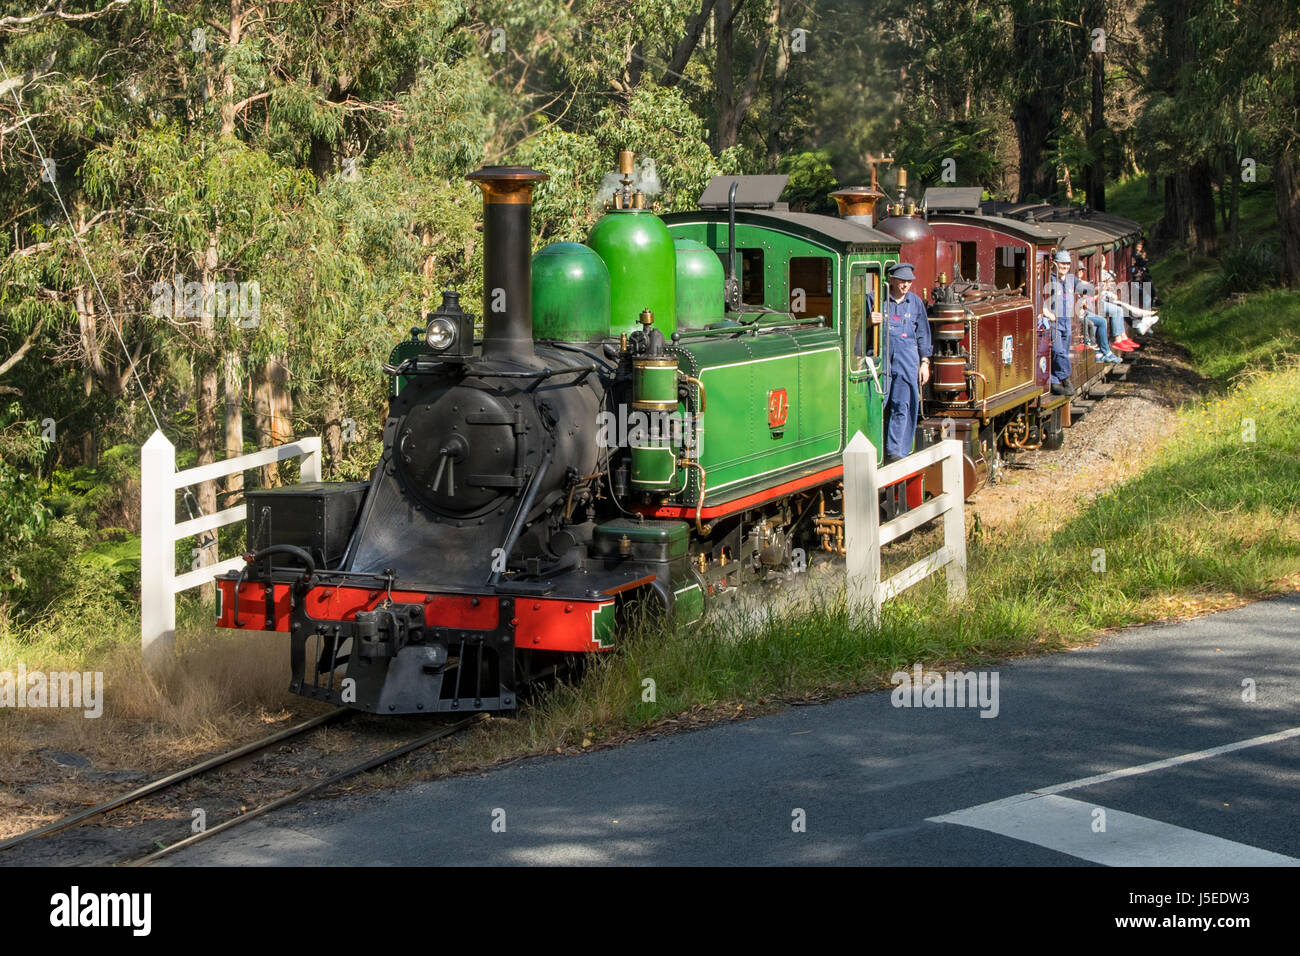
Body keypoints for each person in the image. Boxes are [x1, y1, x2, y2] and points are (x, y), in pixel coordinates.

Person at [867, 262, 932, 461]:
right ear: (892, 280)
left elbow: (922, 333)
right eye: (902, 281)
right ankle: (874, 451)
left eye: (909, 282)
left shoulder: (915, 302)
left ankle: (896, 452)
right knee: (876, 404)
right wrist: (869, 321)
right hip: (880, 358)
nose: (905, 285)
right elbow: (855, 328)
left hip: (907, 359)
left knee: (902, 405)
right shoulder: (874, 299)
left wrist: (925, 362)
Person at [1040, 249, 1088, 395]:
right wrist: (1046, 311)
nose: (1065, 267)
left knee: (1063, 353)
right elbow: (1038, 296)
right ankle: (1066, 379)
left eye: (1067, 264)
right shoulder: (1048, 279)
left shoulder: (1071, 279)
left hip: (1067, 320)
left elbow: (1082, 288)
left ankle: (1055, 382)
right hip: (1054, 321)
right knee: (1057, 350)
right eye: (1062, 264)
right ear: (1055, 263)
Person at [1075, 266, 1122, 363]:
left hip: (1085, 312)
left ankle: (1101, 353)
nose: (1081, 272)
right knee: (1101, 321)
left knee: (1099, 321)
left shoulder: (1080, 282)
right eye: (1079, 270)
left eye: (1082, 271)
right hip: (1078, 315)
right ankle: (1104, 352)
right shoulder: (1074, 282)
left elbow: (1088, 296)